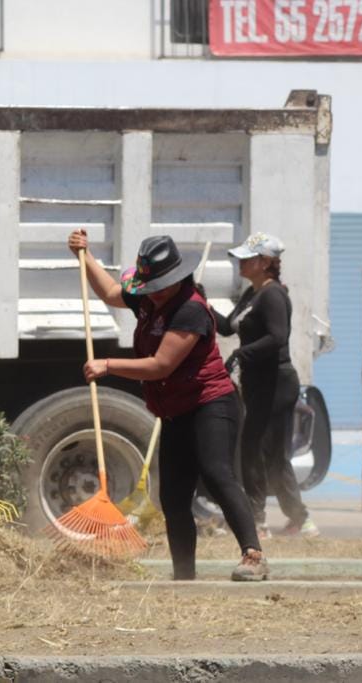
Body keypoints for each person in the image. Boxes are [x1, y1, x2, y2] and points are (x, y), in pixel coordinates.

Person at [67, 229, 267, 581]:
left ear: (175, 278)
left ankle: (253, 555)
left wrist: (108, 365)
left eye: (158, 285)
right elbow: (111, 292)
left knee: (217, 474)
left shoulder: (190, 310)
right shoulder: (148, 298)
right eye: (148, 285)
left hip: (211, 402)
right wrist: (85, 256)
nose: (152, 292)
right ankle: (183, 575)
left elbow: (161, 365)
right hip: (175, 409)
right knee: (173, 497)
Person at [218, 232, 318, 539]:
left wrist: (241, 353)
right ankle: (300, 518)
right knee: (273, 455)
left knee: (254, 449)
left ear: (263, 262)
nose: (240, 263)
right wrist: (200, 302)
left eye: (247, 258)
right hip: (258, 383)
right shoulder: (252, 295)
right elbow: (227, 328)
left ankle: (257, 521)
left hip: (276, 384)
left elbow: (277, 337)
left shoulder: (273, 295)